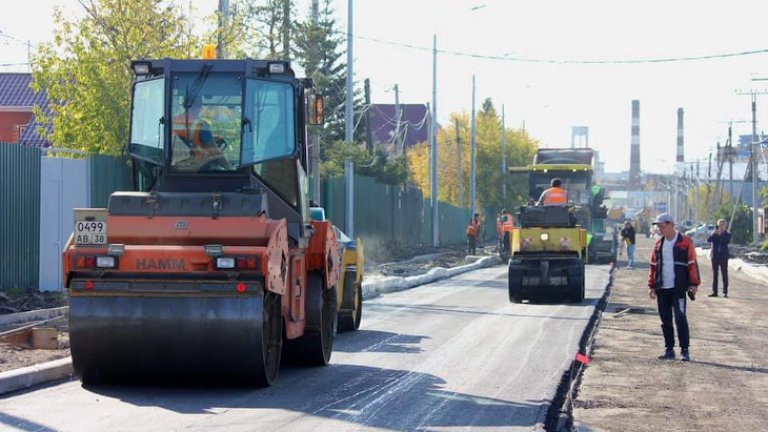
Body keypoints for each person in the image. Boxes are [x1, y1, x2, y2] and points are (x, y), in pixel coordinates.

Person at [647, 213, 700, 362]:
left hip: (678, 288)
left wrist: (693, 284)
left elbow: (692, 264)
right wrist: (651, 286)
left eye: (662, 226)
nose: (659, 229)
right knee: (665, 319)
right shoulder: (658, 245)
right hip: (662, 288)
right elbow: (653, 267)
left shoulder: (685, 242)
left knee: (680, 317)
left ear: (671, 224)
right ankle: (669, 349)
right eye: (658, 227)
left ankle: (684, 350)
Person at [707, 218, 731, 298]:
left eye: (722, 225)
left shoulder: (727, 234)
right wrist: (714, 233)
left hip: (723, 256)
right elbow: (709, 240)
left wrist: (721, 234)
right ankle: (715, 291)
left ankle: (725, 291)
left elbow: (727, 241)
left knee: (724, 273)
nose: (721, 227)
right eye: (719, 225)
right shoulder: (714, 233)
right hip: (715, 256)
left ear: (725, 226)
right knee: (715, 274)